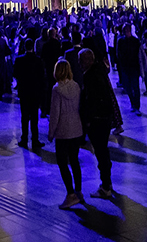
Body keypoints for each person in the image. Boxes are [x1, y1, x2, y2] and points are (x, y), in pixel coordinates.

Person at [79, 48, 124, 201]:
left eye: (81, 61)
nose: (79, 64)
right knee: (103, 151)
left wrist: (88, 119)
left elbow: (91, 100)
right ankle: (107, 182)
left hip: (97, 119)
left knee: (100, 152)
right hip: (105, 118)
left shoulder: (90, 76)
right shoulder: (100, 72)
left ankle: (105, 186)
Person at [49, 58, 86, 207]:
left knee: (62, 162)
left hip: (63, 130)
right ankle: (78, 191)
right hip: (76, 128)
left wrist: (51, 132)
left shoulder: (57, 89)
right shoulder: (76, 86)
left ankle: (70, 193)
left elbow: (55, 113)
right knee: (75, 160)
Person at [14, 37, 46, 148]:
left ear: (24, 47)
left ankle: (24, 138)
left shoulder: (19, 60)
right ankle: (35, 140)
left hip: (24, 91)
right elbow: (42, 76)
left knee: (24, 116)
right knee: (34, 117)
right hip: (35, 92)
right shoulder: (38, 60)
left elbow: (15, 74)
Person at [114, 23, 142, 114]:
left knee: (135, 87)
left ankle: (136, 105)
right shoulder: (121, 41)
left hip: (134, 67)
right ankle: (133, 103)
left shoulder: (135, 41)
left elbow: (139, 55)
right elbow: (118, 54)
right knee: (128, 87)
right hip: (126, 68)